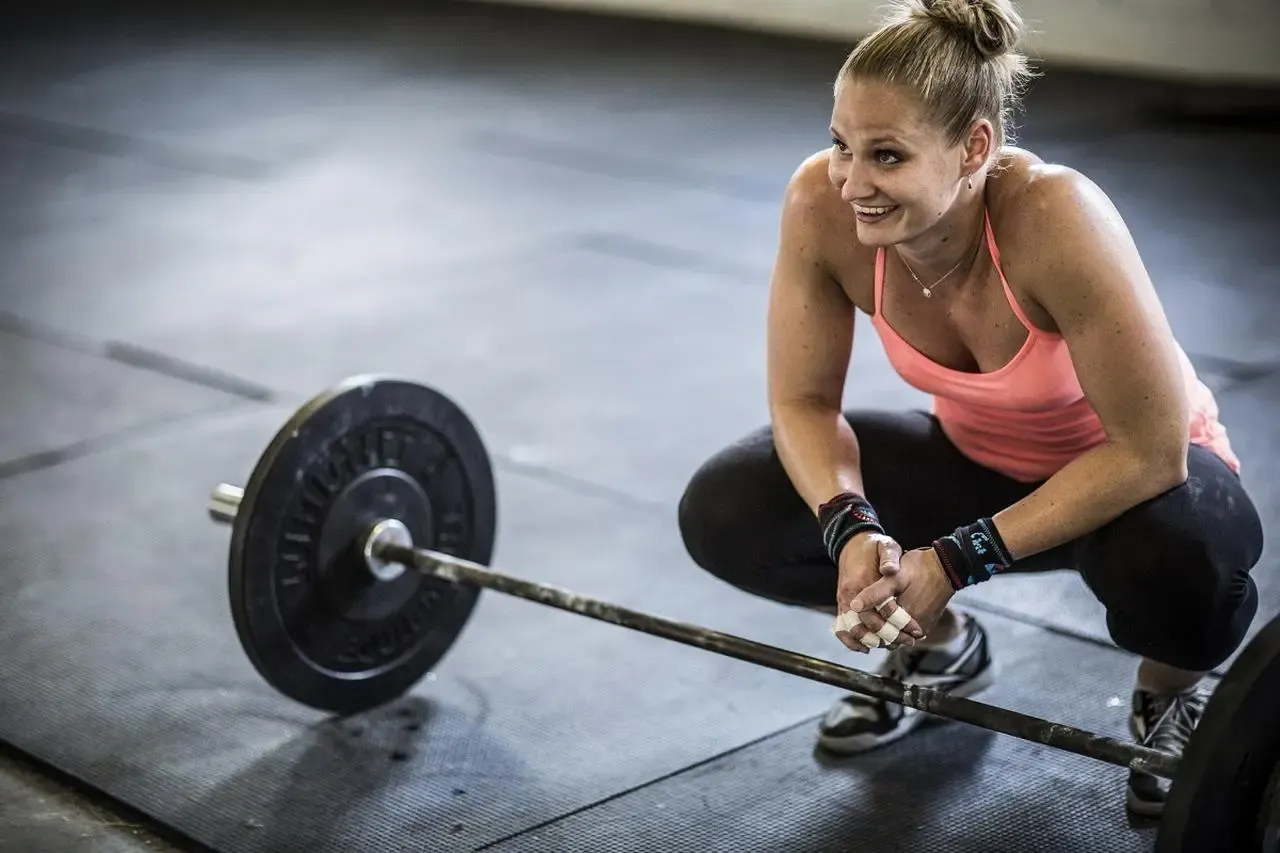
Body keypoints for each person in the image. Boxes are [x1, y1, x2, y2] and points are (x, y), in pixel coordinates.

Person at [676, 0, 1265, 819]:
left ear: (975, 147)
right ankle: (941, 652)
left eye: (886, 155)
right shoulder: (821, 202)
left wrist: (955, 559)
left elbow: (1149, 451)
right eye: (841, 143)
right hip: (978, 463)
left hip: (1130, 491)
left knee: (1185, 560)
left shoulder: (1058, 216)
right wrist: (853, 529)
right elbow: (803, 400)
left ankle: (1169, 695)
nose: (851, 180)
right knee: (729, 506)